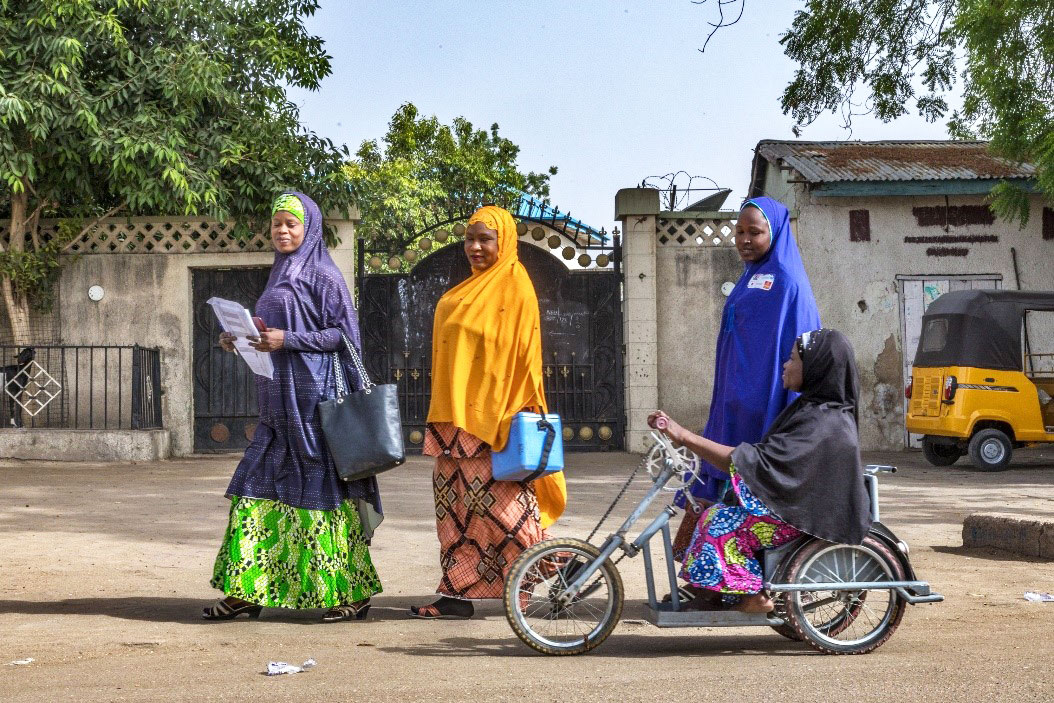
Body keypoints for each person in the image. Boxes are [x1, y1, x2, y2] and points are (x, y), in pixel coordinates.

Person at [204, 192, 383, 622]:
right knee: (255, 490)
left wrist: (290, 339)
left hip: (315, 407)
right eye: (276, 224)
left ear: (310, 229)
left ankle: (352, 593)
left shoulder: (324, 276)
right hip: (276, 406)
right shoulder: (278, 273)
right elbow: (271, 332)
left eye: (291, 224)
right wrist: (240, 338)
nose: (282, 231)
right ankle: (246, 590)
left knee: (324, 497)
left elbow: (344, 337)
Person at [409, 205, 567, 619]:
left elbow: (524, 359)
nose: (475, 247)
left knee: (503, 510)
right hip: (450, 418)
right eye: (469, 239)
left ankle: (556, 565)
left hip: (494, 419)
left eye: (485, 239)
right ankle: (457, 594)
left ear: (505, 241)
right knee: (454, 509)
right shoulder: (464, 291)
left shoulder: (515, 288)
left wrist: (507, 415)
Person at [650, 328, 871, 613]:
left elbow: (756, 463)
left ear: (815, 368)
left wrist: (685, 438)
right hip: (790, 506)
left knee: (718, 520)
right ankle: (710, 587)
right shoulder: (812, 410)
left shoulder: (824, 423)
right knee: (699, 509)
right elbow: (763, 463)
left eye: (792, 359)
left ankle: (752, 596)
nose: (785, 365)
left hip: (802, 517)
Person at [679, 197, 822, 512]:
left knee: (744, 484)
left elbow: (798, 349)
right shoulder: (749, 275)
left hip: (763, 399)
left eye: (754, 232)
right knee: (714, 489)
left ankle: (733, 553)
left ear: (775, 233)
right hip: (734, 394)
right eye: (739, 231)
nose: (744, 240)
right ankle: (710, 554)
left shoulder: (787, 283)